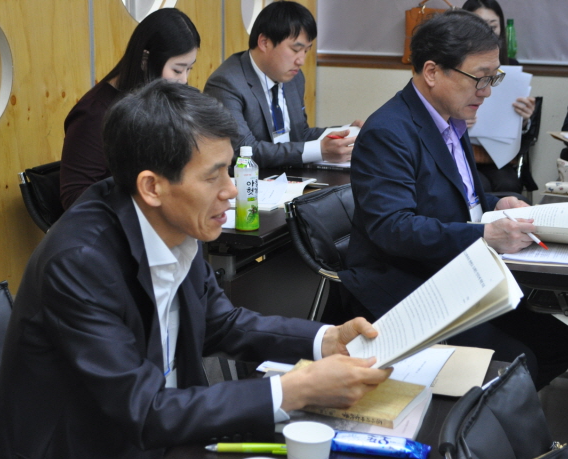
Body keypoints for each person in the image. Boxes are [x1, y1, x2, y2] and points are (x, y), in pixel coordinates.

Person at [0, 81, 391, 459]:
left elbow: (220, 322)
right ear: (152, 186)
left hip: (166, 435)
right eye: (213, 176)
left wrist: (325, 339)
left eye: (229, 168)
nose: (231, 189)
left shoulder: (172, 221)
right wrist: (292, 390)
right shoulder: (79, 263)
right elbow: (142, 410)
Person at [336, 9, 568, 389]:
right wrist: (485, 235)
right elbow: (392, 228)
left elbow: (455, 197)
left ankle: (496, 417)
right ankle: (479, 420)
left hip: (457, 274)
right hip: (411, 287)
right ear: (432, 72)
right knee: (519, 360)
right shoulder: (388, 132)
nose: (487, 91)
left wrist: (496, 204)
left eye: (493, 78)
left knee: (558, 343)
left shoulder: (450, 119)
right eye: (480, 78)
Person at [59, 8, 200, 210]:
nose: (184, 80)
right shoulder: (95, 114)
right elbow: (75, 198)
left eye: (189, 69)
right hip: (121, 221)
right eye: (177, 70)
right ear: (145, 60)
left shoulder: (158, 101)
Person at [204, 1, 363, 169]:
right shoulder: (226, 83)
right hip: (252, 180)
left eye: (306, 51)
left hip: (290, 175)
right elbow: (244, 151)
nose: (301, 61)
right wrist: (319, 150)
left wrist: (348, 133)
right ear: (264, 42)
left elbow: (299, 134)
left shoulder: (294, 77)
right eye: (295, 50)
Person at [462, 0, 536, 193]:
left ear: (501, 29)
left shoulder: (510, 66)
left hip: (498, 156)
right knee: (479, 186)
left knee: (509, 185)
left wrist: (524, 118)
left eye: (492, 26)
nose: (486, 33)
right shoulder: (454, 65)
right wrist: (455, 121)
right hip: (459, 152)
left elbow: (519, 129)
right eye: (479, 25)